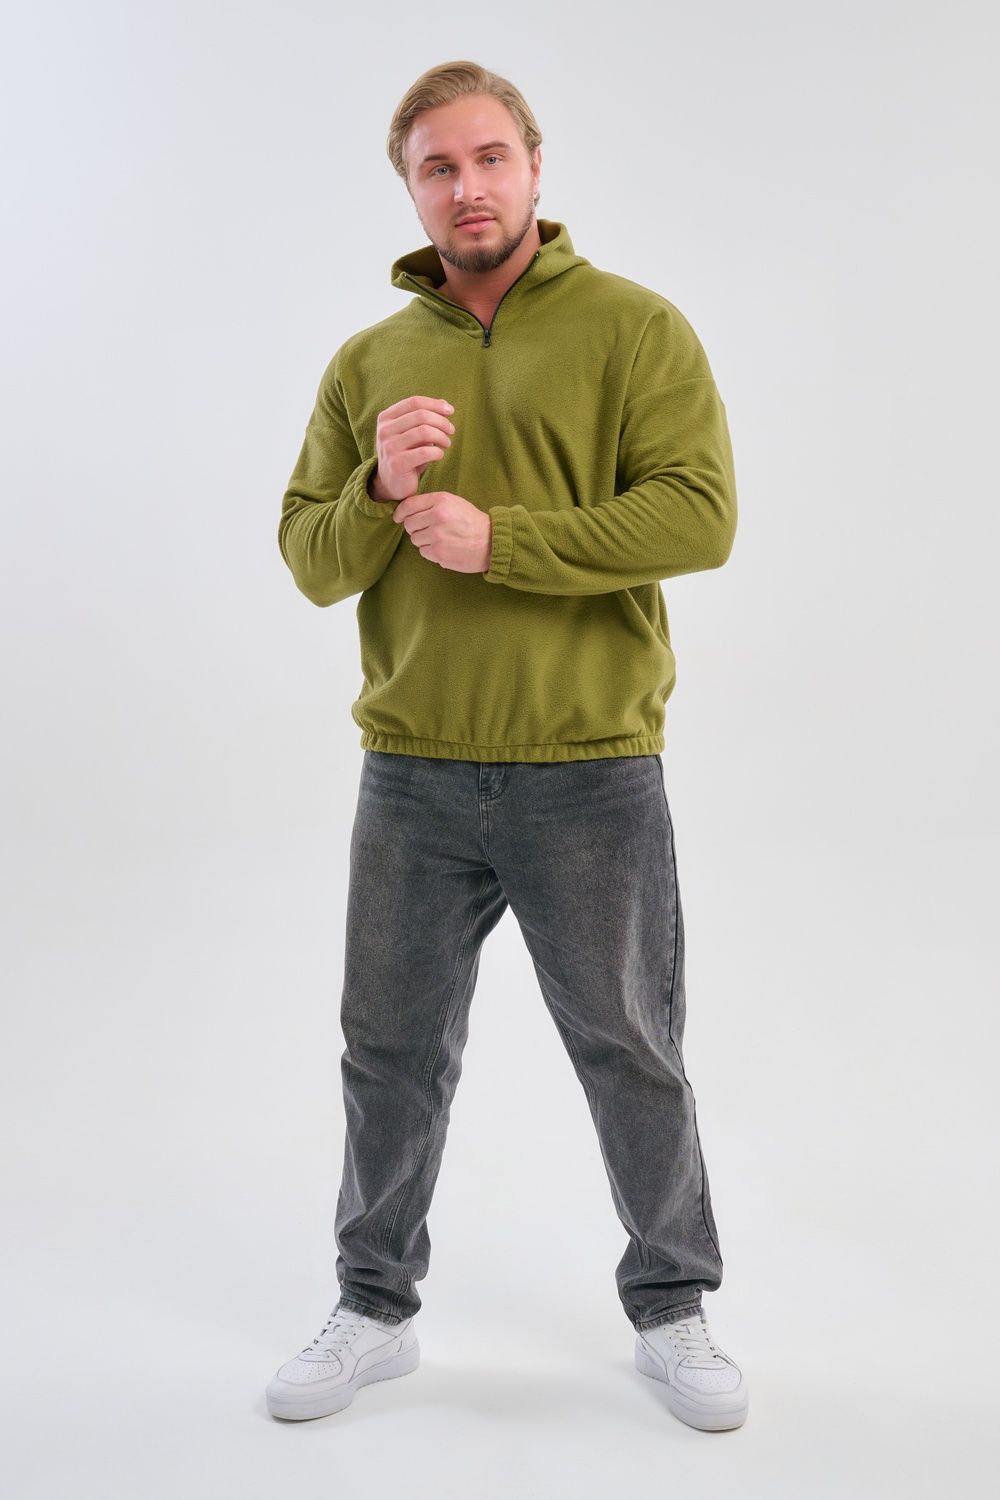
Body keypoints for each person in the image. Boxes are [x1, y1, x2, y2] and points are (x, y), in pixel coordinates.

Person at [266, 59, 748, 1433]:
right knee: (388, 1050)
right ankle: (374, 1309)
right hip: (412, 768)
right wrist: (380, 490)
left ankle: (673, 1307)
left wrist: (505, 543)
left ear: (534, 166)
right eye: (437, 166)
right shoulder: (368, 363)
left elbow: (700, 516)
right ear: (411, 189)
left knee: (630, 1047)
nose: (466, 186)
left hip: (589, 764)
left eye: (488, 158)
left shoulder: (634, 328)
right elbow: (309, 560)